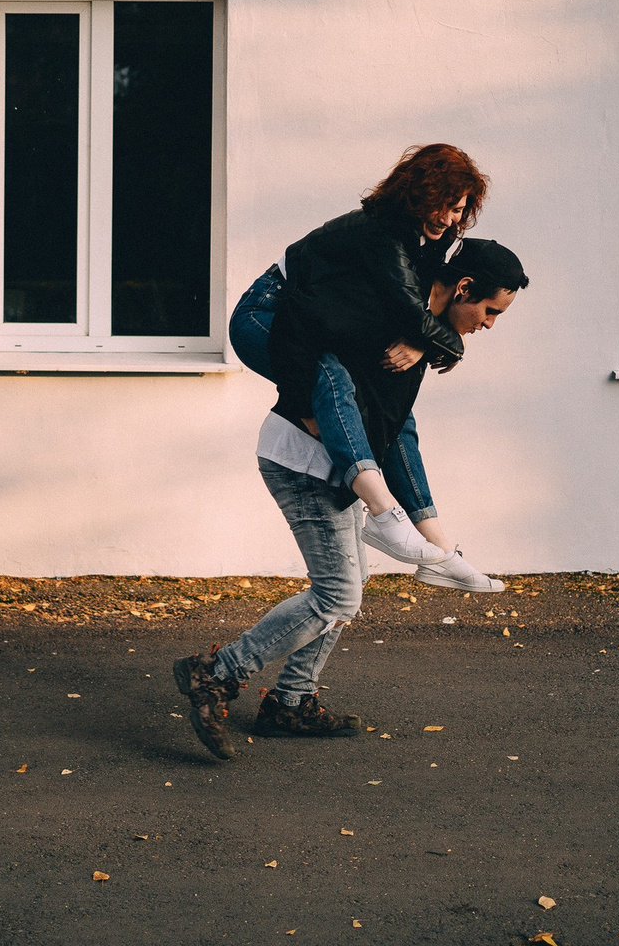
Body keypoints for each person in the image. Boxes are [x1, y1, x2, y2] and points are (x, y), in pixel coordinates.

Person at [175, 240, 529, 758]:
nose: (490, 324)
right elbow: (320, 370)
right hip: (303, 461)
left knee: (348, 585)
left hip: (337, 469)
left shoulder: (416, 335)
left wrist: (438, 541)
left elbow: (397, 429)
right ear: (464, 288)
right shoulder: (383, 316)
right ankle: (217, 672)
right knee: (338, 595)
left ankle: (292, 701)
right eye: (490, 311)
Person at [229, 143, 498, 589]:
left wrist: (423, 342)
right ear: (421, 193)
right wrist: (448, 345)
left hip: (310, 320)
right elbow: (410, 310)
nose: (450, 219)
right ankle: (383, 511)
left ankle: (439, 551)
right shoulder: (384, 234)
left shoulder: (426, 239)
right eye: (446, 205)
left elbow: (413, 310)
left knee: (396, 413)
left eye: (459, 210)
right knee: (329, 375)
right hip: (266, 312)